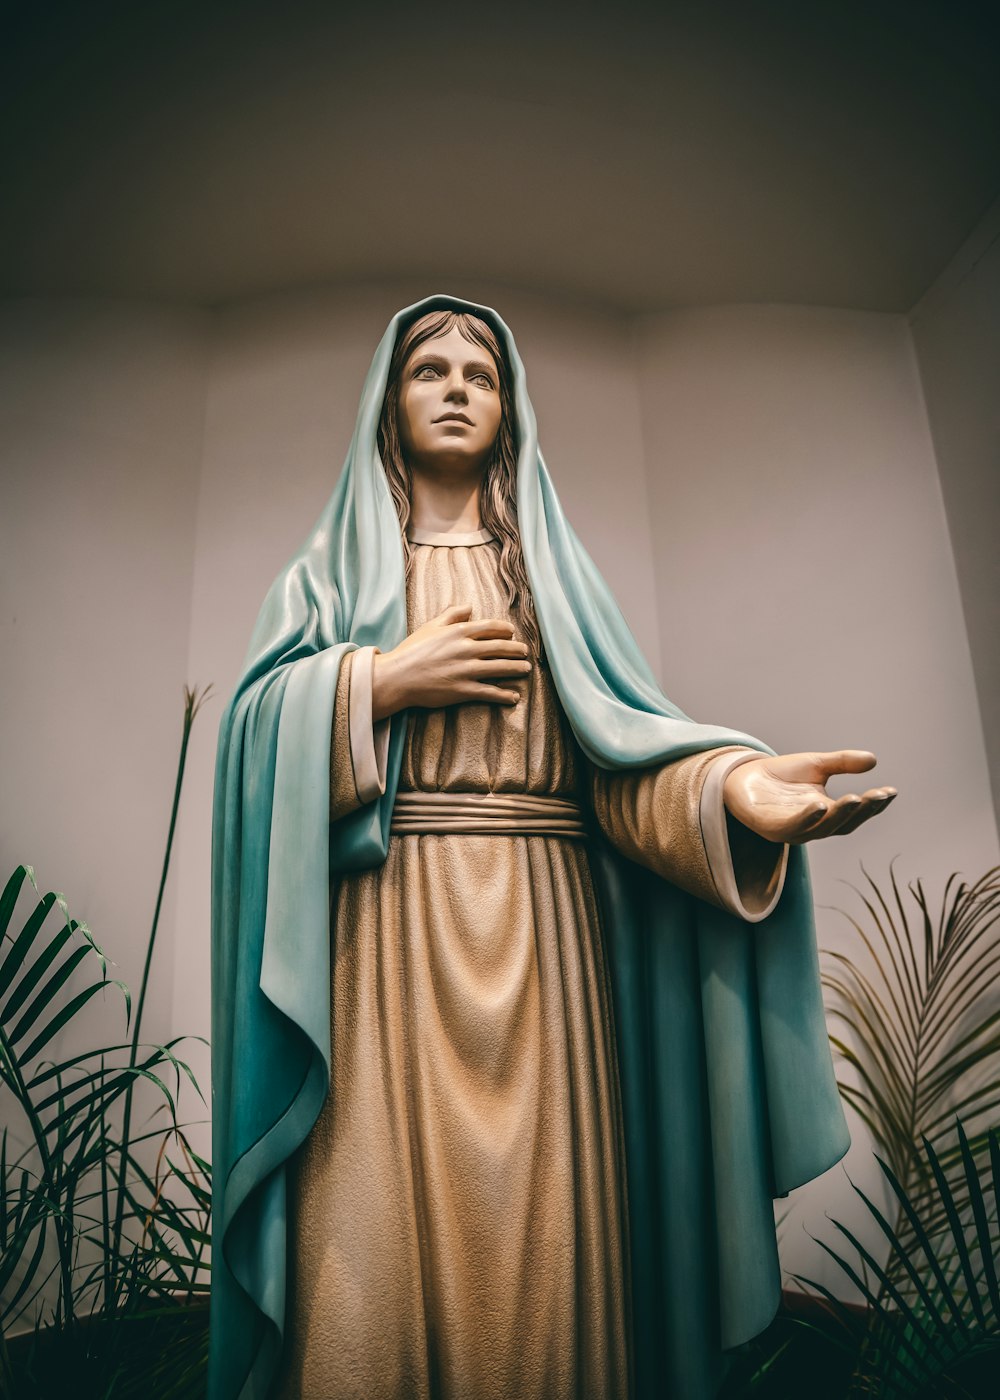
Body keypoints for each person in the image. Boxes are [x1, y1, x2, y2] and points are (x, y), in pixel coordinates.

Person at [209, 294, 895, 1400]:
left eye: (479, 373)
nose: (455, 387)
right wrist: (376, 680)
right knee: (369, 1238)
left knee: (542, 1239)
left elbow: (622, 770)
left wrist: (731, 788)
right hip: (385, 939)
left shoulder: (557, 589)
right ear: (387, 403)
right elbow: (247, 752)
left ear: (509, 409)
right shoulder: (324, 578)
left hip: (544, 935)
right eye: (427, 369)